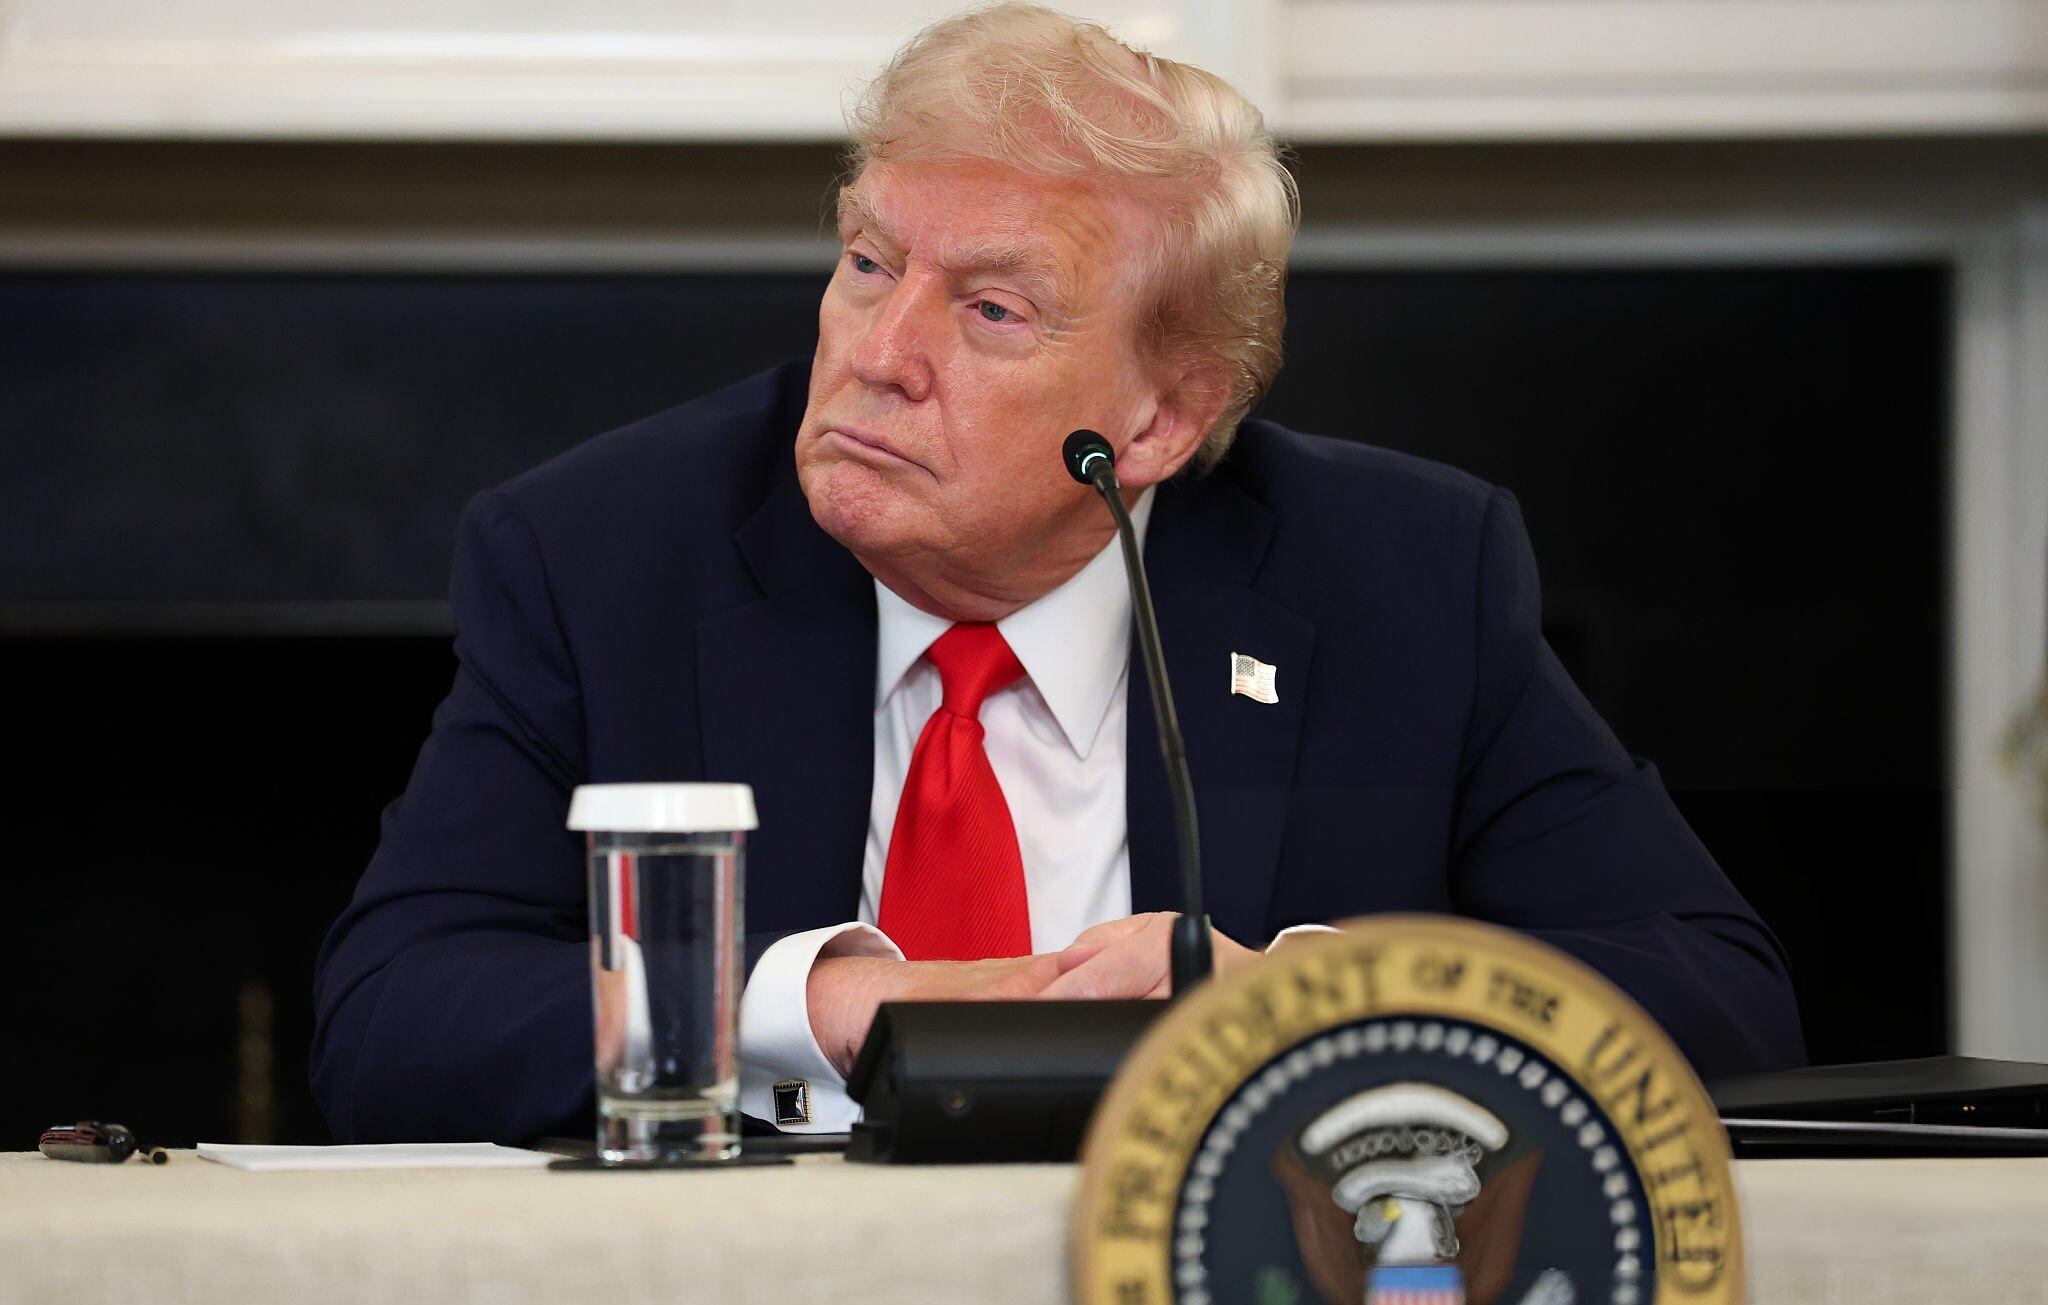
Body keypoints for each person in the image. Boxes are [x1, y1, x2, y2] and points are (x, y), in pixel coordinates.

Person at [310, 3, 1803, 1144]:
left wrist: (1304, 1000)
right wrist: (824, 1004)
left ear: (1162, 418)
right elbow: (388, 1014)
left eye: (995, 311)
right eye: (872, 263)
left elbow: (1724, 996)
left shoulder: (1399, 578)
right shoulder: (603, 550)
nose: (879, 356)